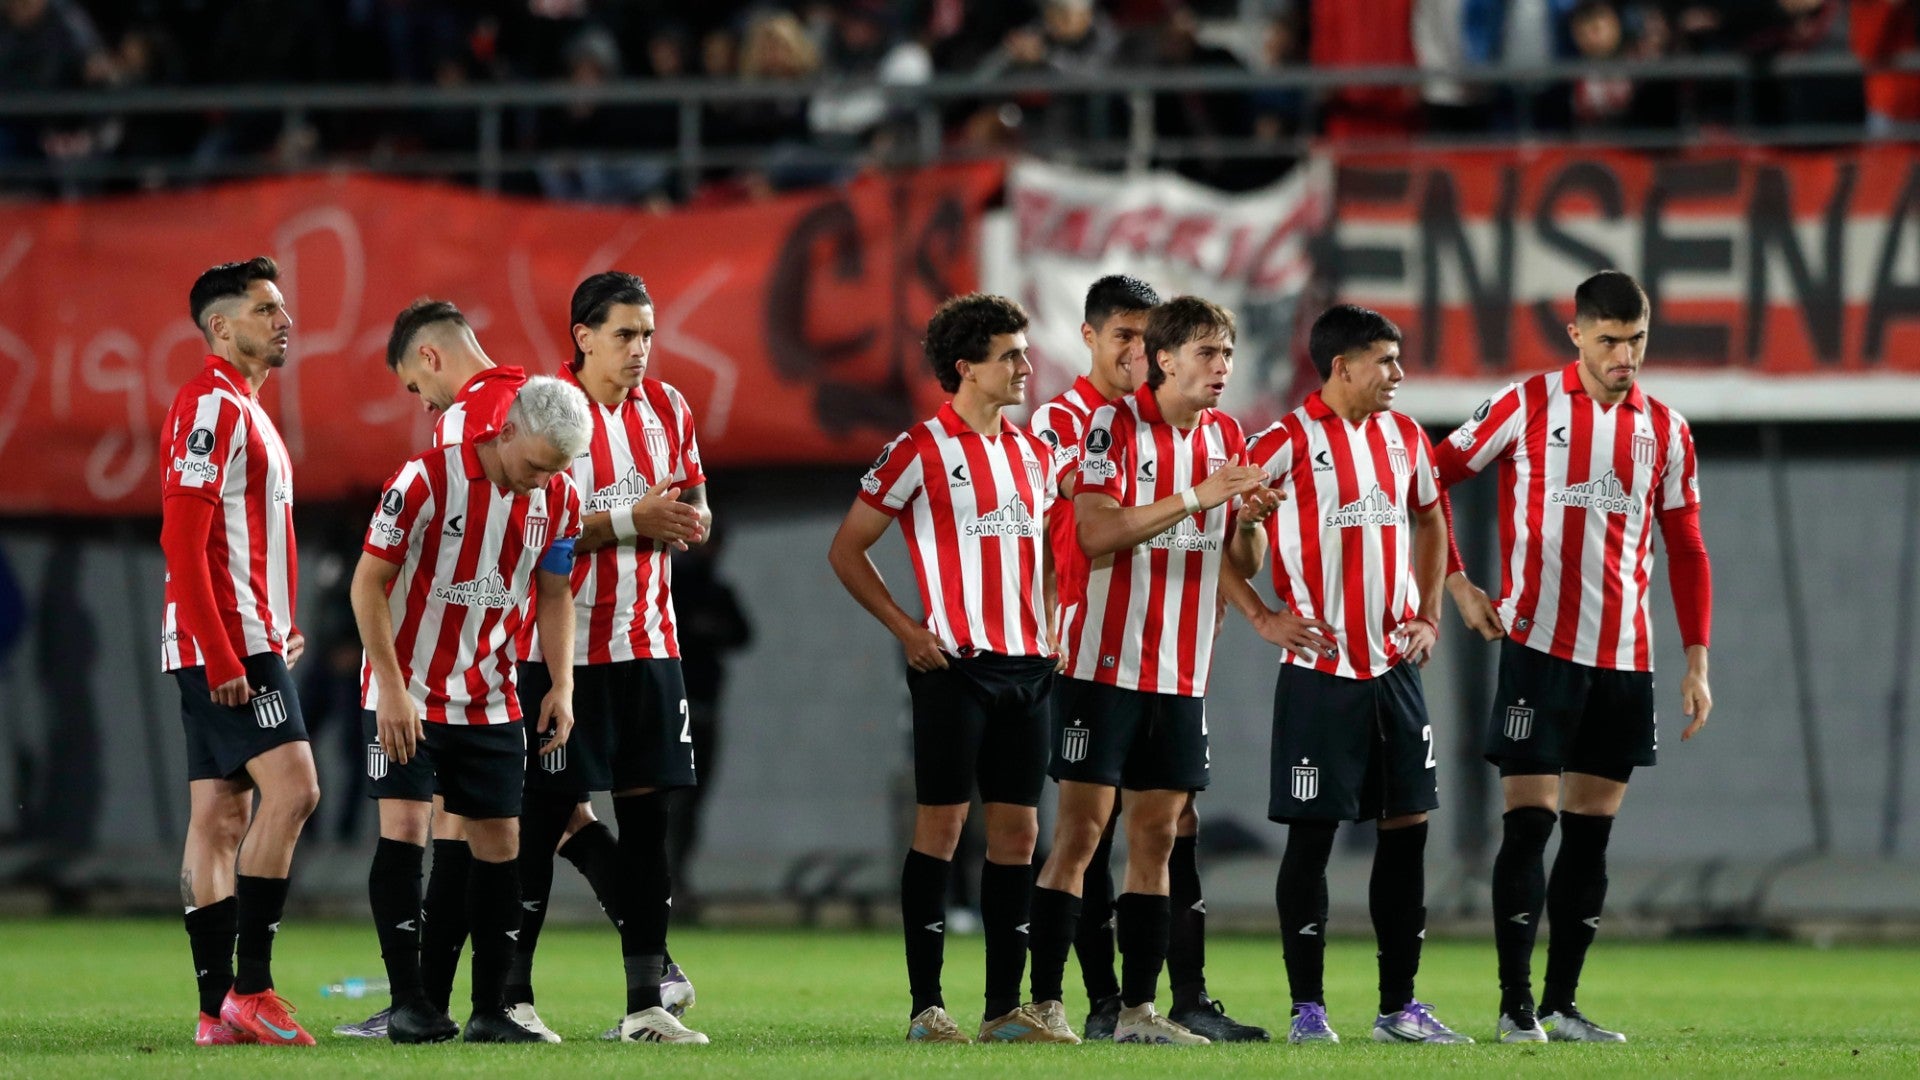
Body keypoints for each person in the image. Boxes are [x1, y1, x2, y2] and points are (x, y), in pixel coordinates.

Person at [1436, 270, 1713, 1043]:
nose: (1625, 356)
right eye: (1610, 340)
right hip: (1538, 649)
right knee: (1529, 827)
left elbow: (1686, 548)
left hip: (1624, 662)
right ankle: (1514, 1006)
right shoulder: (1526, 404)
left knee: (1590, 835)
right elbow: (1429, 477)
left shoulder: (1668, 428)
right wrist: (1457, 581)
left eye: (1637, 341)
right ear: (1578, 335)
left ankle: (1562, 1003)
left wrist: (1696, 660)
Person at [1023, 296, 1270, 1046]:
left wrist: (1250, 520)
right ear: (1164, 360)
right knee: (1081, 833)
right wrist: (1199, 496)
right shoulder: (1112, 427)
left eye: (1227, 354)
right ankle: (1044, 1005)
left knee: (1158, 838)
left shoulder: (1227, 435)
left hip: (1182, 671)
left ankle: (1137, 1012)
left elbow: (1239, 558)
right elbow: (1095, 531)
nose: (1222, 369)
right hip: (1102, 662)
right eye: (1207, 353)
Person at [827, 292, 1073, 1045]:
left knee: (1019, 835)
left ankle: (1005, 1010)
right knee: (940, 826)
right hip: (955, 668)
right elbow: (847, 549)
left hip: (1029, 672)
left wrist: (1055, 617)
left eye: (1025, 353)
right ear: (966, 368)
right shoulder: (919, 450)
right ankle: (927, 1008)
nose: (1026, 367)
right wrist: (906, 629)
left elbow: (1048, 549)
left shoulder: (1036, 452)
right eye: (1011, 356)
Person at [1227, 303, 1472, 1045]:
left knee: (1407, 830)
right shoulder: (1281, 443)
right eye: (1385, 361)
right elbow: (1215, 543)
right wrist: (1262, 613)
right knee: (1312, 839)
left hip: (1394, 670)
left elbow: (1432, 518)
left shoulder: (1404, 439)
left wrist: (1428, 613)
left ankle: (1400, 1007)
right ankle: (1308, 1009)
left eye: (1399, 361)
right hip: (1318, 671)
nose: (1398, 375)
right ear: (1341, 367)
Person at [349, 374, 588, 1044]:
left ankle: (490, 1010)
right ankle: (408, 1004)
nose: (543, 481)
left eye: (556, 470)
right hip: (408, 694)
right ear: (506, 431)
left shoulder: (561, 498)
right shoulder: (424, 480)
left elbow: (555, 592)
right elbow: (368, 583)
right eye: (537, 465)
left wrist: (561, 684)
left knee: (501, 845)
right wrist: (391, 689)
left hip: (490, 698)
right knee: (404, 827)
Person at [337, 299, 526, 1040]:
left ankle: (425, 1001)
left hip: (453, 671)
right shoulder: (538, 403)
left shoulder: (459, 431)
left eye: (416, 388)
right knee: (458, 834)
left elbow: (515, 540)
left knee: (438, 833)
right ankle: (449, 1003)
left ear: (430, 358)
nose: (423, 405)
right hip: (488, 662)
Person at [161, 257, 320, 1048]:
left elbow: (238, 541)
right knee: (294, 792)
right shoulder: (211, 409)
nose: (284, 319)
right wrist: (226, 652)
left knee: (220, 817)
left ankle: (211, 1011)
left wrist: (278, 620)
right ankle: (251, 989)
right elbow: (181, 540)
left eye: (283, 306)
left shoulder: (244, 410)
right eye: (266, 309)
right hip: (223, 644)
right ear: (222, 328)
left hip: (246, 634)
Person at [548, 271, 710, 1045]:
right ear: (583, 337)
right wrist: (626, 519)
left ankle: (646, 1002)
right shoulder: (547, 413)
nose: (641, 349)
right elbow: (531, 530)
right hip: (560, 649)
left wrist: (689, 518)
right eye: (624, 334)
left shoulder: (669, 408)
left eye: (647, 334)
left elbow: (696, 499)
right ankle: (506, 1001)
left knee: (648, 822)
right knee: (537, 813)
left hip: (650, 642)